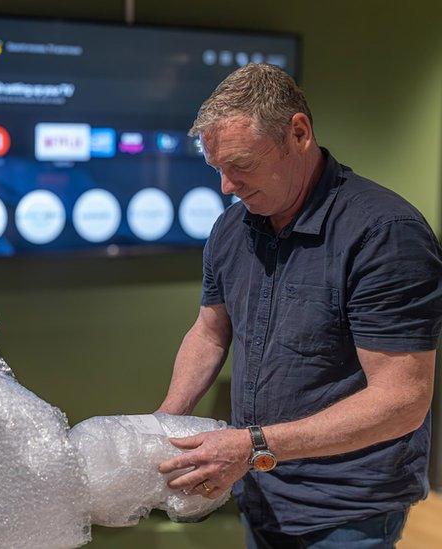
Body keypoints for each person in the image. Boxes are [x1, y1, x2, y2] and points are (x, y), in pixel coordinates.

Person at [155, 63, 442, 548]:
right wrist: (164, 421)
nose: (227, 185)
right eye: (218, 169)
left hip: (348, 508)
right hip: (260, 490)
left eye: (241, 164)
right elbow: (209, 332)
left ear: (298, 133)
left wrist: (255, 445)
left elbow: (402, 401)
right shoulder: (232, 228)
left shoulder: (384, 234)